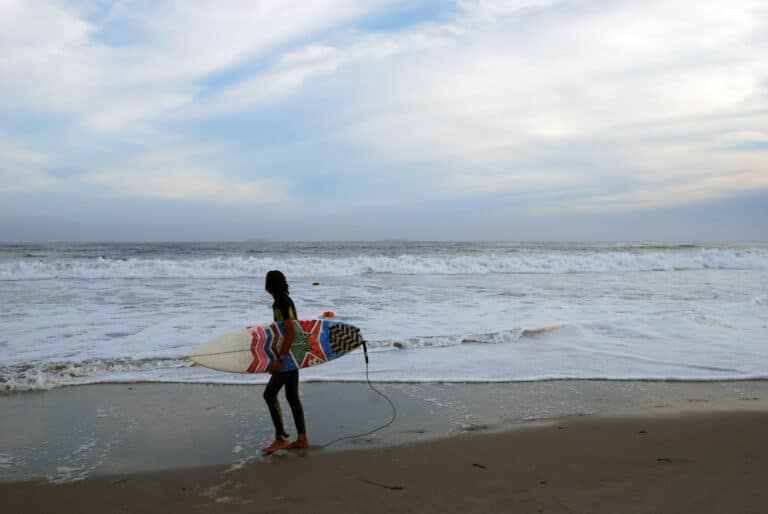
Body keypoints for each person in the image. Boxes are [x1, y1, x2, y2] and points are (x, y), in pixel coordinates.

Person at [261, 270, 309, 454]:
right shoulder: (284, 300)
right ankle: (302, 438)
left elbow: (290, 331)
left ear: (269, 286)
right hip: (293, 354)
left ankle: (280, 438)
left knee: (269, 394)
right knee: (291, 396)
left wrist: (280, 359)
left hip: (287, 357)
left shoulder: (281, 302)